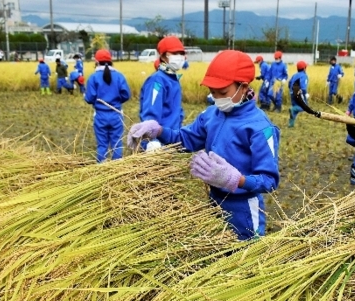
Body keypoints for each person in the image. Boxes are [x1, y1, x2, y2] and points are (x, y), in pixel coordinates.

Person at [127, 50, 280, 241]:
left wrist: (236, 180)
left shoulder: (261, 128)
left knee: (245, 262)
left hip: (244, 210)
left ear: (243, 87)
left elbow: (269, 181)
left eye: (222, 92)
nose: (216, 98)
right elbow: (185, 139)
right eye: (212, 92)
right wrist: (158, 131)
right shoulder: (211, 115)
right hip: (214, 202)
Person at [137, 36, 186, 149]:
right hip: (158, 144)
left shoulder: (174, 80)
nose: (179, 57)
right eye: (174, 53)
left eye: (181, 53)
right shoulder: (157, 81)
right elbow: (150, 113)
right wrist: (152, 141)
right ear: (163, 56)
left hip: (172, 140)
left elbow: (177, 111)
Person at [84, 49, 131, 162]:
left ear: (96, 61)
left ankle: (101, 168)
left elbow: (89, 98)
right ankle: (117, 168)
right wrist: (117, 101)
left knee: (102, 145)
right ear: (111, 61)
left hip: (100, 116)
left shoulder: (93, 77)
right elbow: (126, 95)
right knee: (117, 144)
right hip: (116, 115)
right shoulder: (119, 76)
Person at [288, 60, 309, 128]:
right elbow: (303, 87)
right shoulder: (304, 76)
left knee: (295, 110)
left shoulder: (294, 75)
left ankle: (291, 124)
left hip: (292, 93)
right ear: (304, 68)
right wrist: (305, 94)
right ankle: (292, 109)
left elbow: (289, 83)